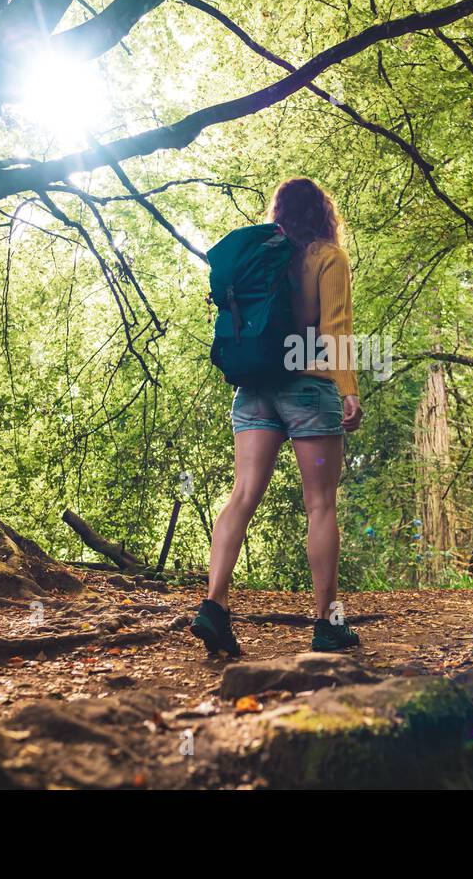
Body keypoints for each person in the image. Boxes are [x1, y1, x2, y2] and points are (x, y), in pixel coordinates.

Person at [191, 177, 363, 657]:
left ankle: (214, 607)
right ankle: (328, 624)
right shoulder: (328, 257)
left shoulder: (262, 256)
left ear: (279, 212)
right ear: (324, 213)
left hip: (254, 388)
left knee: (242, 496)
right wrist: (348, 390)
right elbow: (336, 328)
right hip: (308, 387)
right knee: (320, 505)